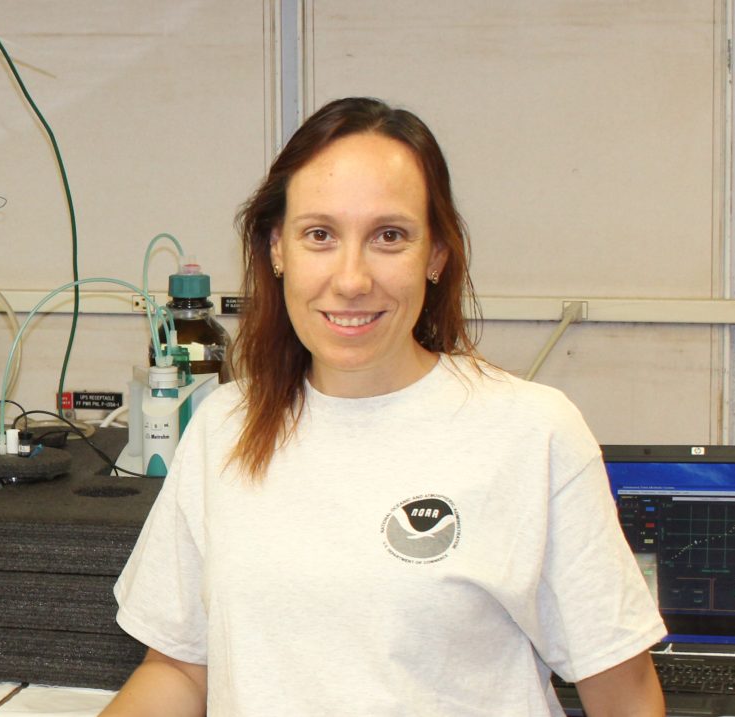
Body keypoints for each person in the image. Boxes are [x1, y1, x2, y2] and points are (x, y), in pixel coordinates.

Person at [101, 97, 666, 716]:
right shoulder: (224, 427)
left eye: (388, 237)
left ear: (437, 256)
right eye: (320, 235)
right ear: (276, 249)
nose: (351, 279)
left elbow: (624, 694)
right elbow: (181, 669)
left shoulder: (531, 431)